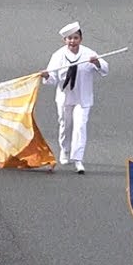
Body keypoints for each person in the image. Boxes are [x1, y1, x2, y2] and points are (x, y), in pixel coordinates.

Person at [41, 22, 109, 173]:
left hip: (83, 98)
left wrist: (97, 63)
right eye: (69, 38)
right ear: (64, 40)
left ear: (81, 39)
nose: (72, 41)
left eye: (75, 38)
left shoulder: (88, 54)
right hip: (65, 97)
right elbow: (52, 79)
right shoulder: (58, 56)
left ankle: (78, 159)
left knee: (80, 126)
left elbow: (104, 69)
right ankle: (64, 150)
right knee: (66, 125)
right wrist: (47, 75)